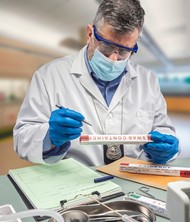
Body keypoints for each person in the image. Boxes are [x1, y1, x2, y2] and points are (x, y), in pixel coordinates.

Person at [13, 0, 179, 166]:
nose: (113, 59)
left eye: (123, 51)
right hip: (76, 183)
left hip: (135, 180)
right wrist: (50, 136)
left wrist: (166, 147)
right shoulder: (49, 76)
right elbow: (21, 139)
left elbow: (163, 128)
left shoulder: (148, 80)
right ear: (90, 34)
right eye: (106, 46)